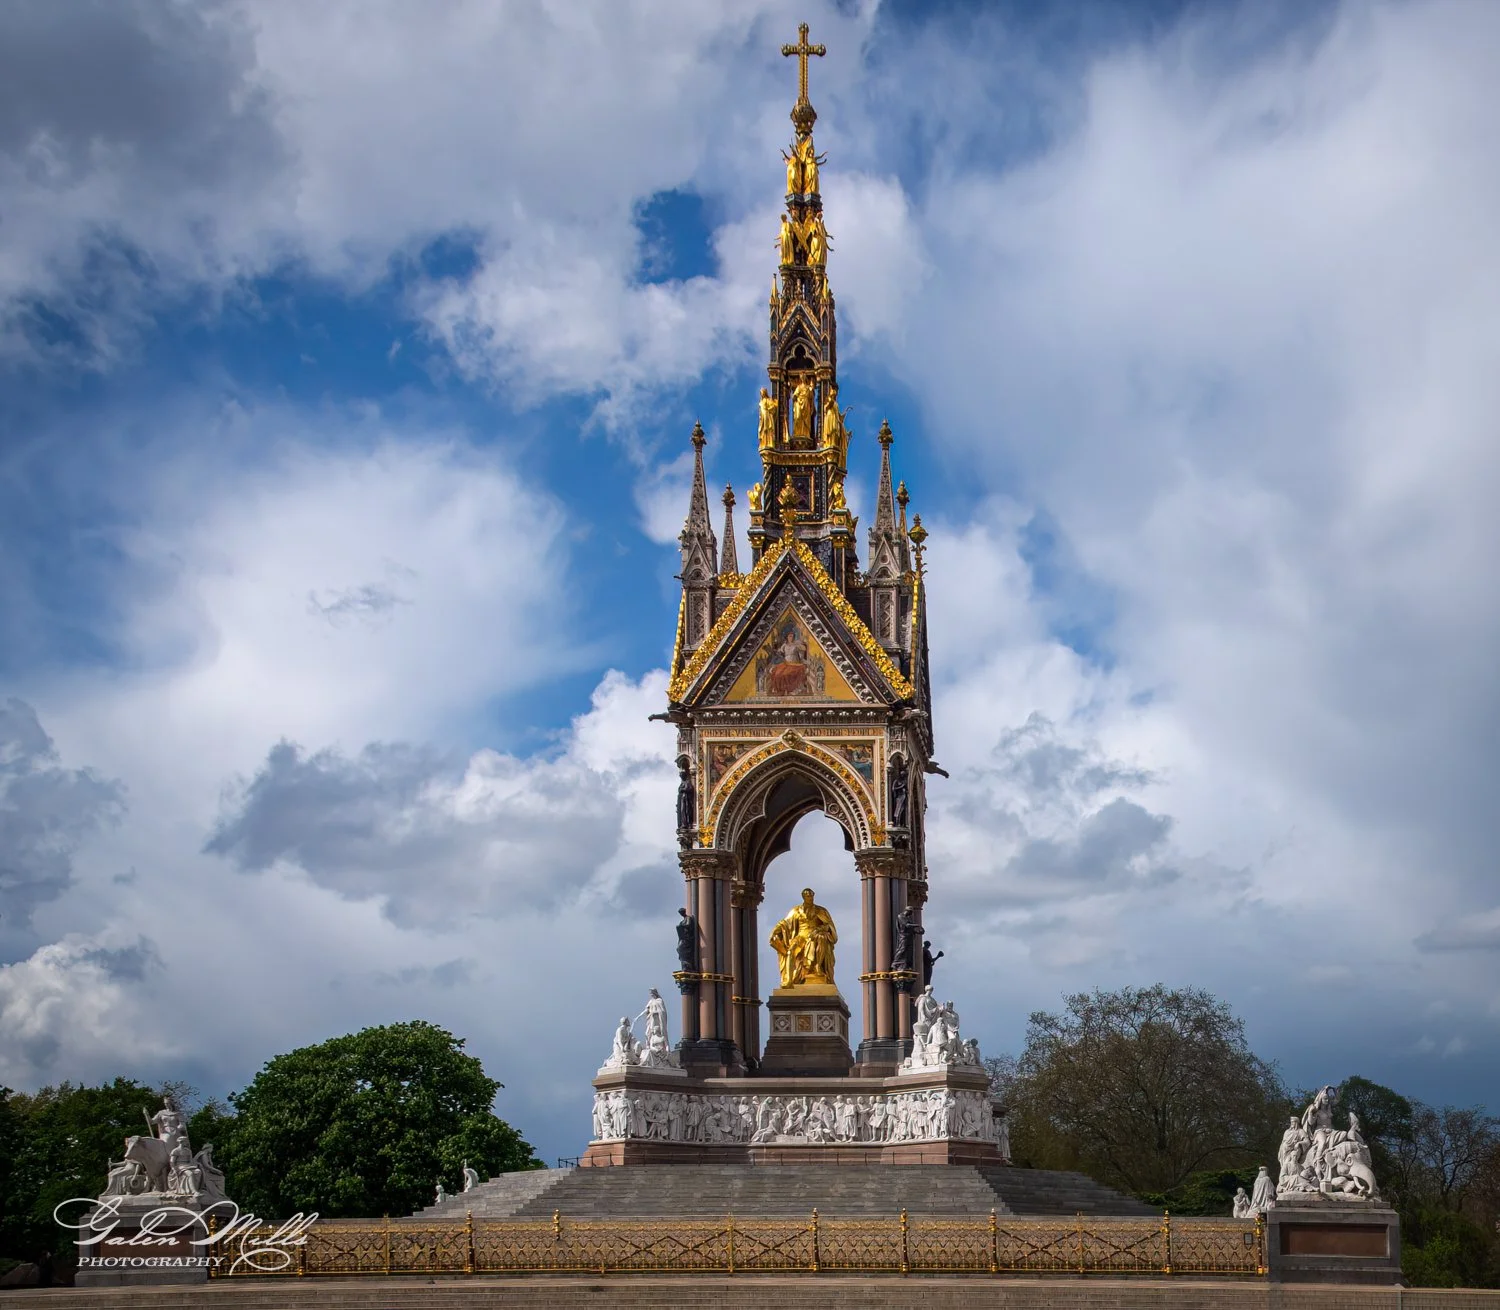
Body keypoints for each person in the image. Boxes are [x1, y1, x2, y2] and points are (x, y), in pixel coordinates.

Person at [769, 888, 837, 987]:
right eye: (808, 896)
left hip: (815, 936)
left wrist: (818, 930)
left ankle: (817, 967)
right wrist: (774, 931)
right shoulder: (796, 910)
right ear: (803, 897)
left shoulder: (821, 910)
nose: (810, 898)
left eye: (811, 896)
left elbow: (829, 926)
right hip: (800, 936)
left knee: (820, 939)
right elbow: (785, 923)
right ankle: (789, 980)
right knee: (791, 951)